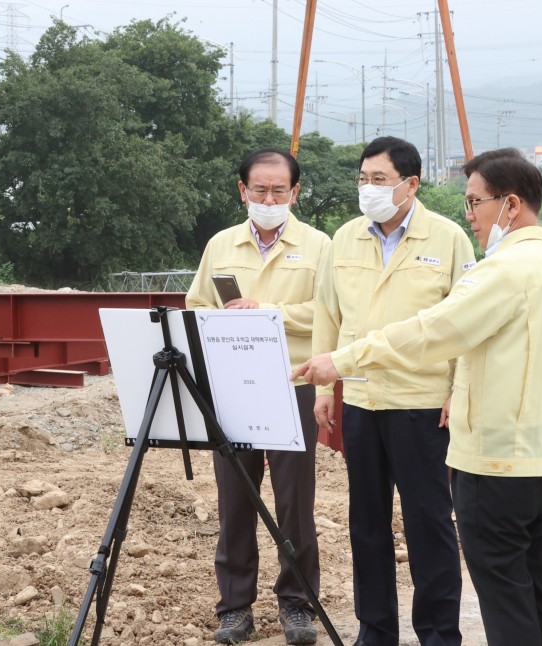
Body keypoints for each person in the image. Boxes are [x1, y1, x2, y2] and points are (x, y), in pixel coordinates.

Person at [294, 148, 542, 646]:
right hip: (539, 459)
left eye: (475, 202)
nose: (470, 215)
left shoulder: (501, 271)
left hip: (493, 459)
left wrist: (341, 362)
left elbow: (433, 332)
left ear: (511, 204)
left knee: (503, 590)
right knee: (538, 581)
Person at [310, 136, 475, 646]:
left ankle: (438, 633)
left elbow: (468, 323)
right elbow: (327, 315)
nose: (368, 188)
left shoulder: (447, 239)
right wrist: (325, 388)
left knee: (429, 523)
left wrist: (458, 389)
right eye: (362, 179)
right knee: (367, 524)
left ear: (411, 184)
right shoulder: (344, 239)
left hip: (421, 404)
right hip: (359, 399)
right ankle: (375, 631)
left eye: (378, 180)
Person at [186, 148, 330, 645]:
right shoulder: (220, 246)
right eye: (259, 190)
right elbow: (196, 306)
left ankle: (296, 604)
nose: (269, 198)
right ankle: (234, 609)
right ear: (243, 191)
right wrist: (225, 320)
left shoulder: (319, 246)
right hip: (233, 389)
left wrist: (265, 312)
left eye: (279, 190)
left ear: (294, 193)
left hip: (294, 384)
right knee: (235, 500)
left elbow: (329, 313)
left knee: (294, 503)